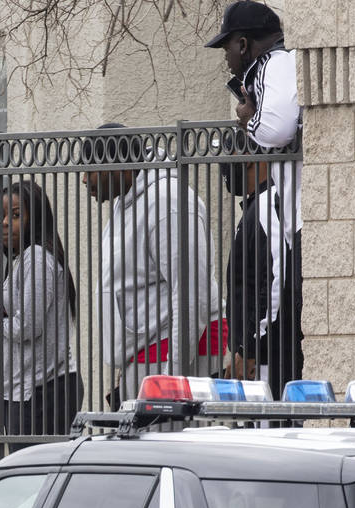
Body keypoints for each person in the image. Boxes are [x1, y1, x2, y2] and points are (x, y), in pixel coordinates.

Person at [82, 124, 220, 404]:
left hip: (169, 354)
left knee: (161, 446)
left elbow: (192, 293)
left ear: (117, 166)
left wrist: (173, 376)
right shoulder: (130, 201)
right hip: (148, 354)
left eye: (90, 169)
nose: (84, 179)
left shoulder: (167, 201)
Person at [206, 0, 303, 383]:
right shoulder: (272, 67)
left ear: (243, 44)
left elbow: (276, 128)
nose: (227, 58)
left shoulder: (271, 64)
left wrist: (249, 121)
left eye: (227, 48)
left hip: (302, 222)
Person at [0, 180, 83, 440]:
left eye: (14, 215)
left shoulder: (36, 258)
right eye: (2, 215)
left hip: (43, 390)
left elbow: (28, 327)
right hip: (28, 389)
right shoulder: (23, 260)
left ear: (35, 219)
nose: (4, 223)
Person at [220, 159, 300, 395]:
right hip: (254, 359)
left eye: (232, 152)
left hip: (267, 360)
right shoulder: (257, 205)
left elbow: (276, 281)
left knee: (269, 429)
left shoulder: (268, 205)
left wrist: (250, 349)